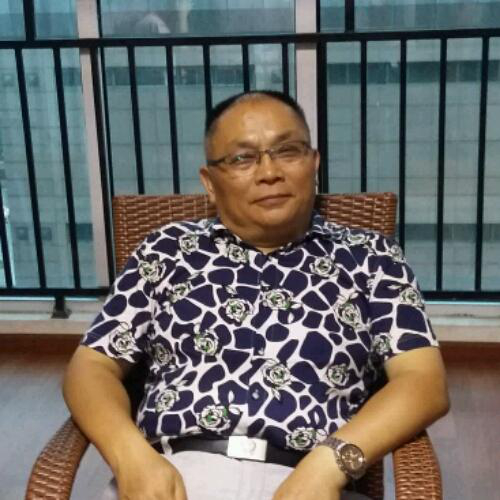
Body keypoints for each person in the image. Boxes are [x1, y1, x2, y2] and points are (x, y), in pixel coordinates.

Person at [63, 90, 449, 500]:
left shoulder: (371, 256)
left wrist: (330, 464)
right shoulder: (167, 250)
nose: (269, 172)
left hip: (311, 481)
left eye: (288, 151)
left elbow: (423, 381)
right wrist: (130, 456)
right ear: (209, 183)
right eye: (242, 158)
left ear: (314, 163)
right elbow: (91, 366)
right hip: (174, 479)